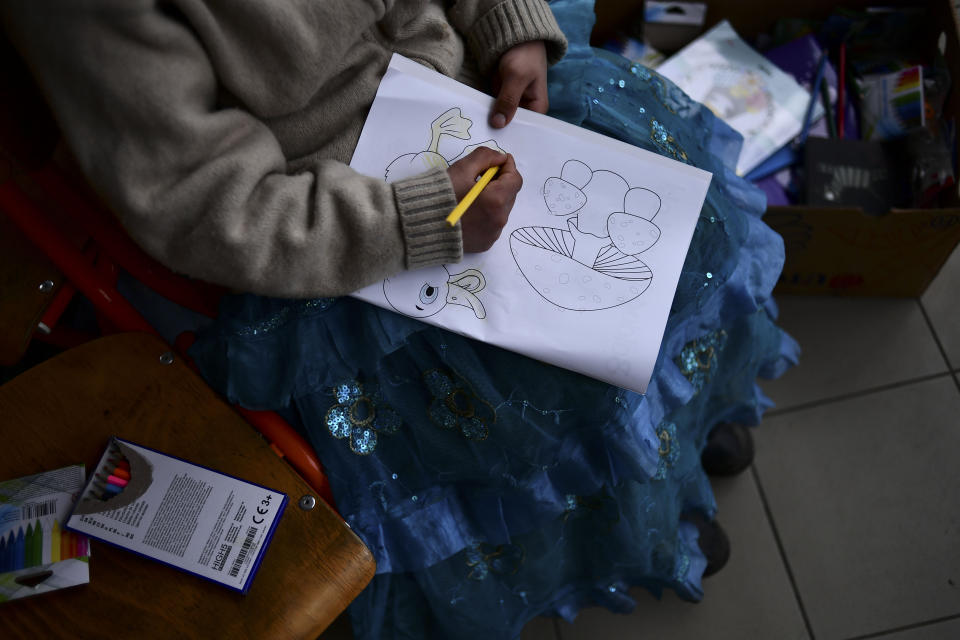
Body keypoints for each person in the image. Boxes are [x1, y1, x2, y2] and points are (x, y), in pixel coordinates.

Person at [2, 0, 798, 638]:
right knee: (524, 409)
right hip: (338, 225)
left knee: (678, 241)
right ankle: (634, 530)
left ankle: (671, 457)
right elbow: (210, 207)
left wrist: (506, 23)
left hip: (468, 92)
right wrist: (416, 222)